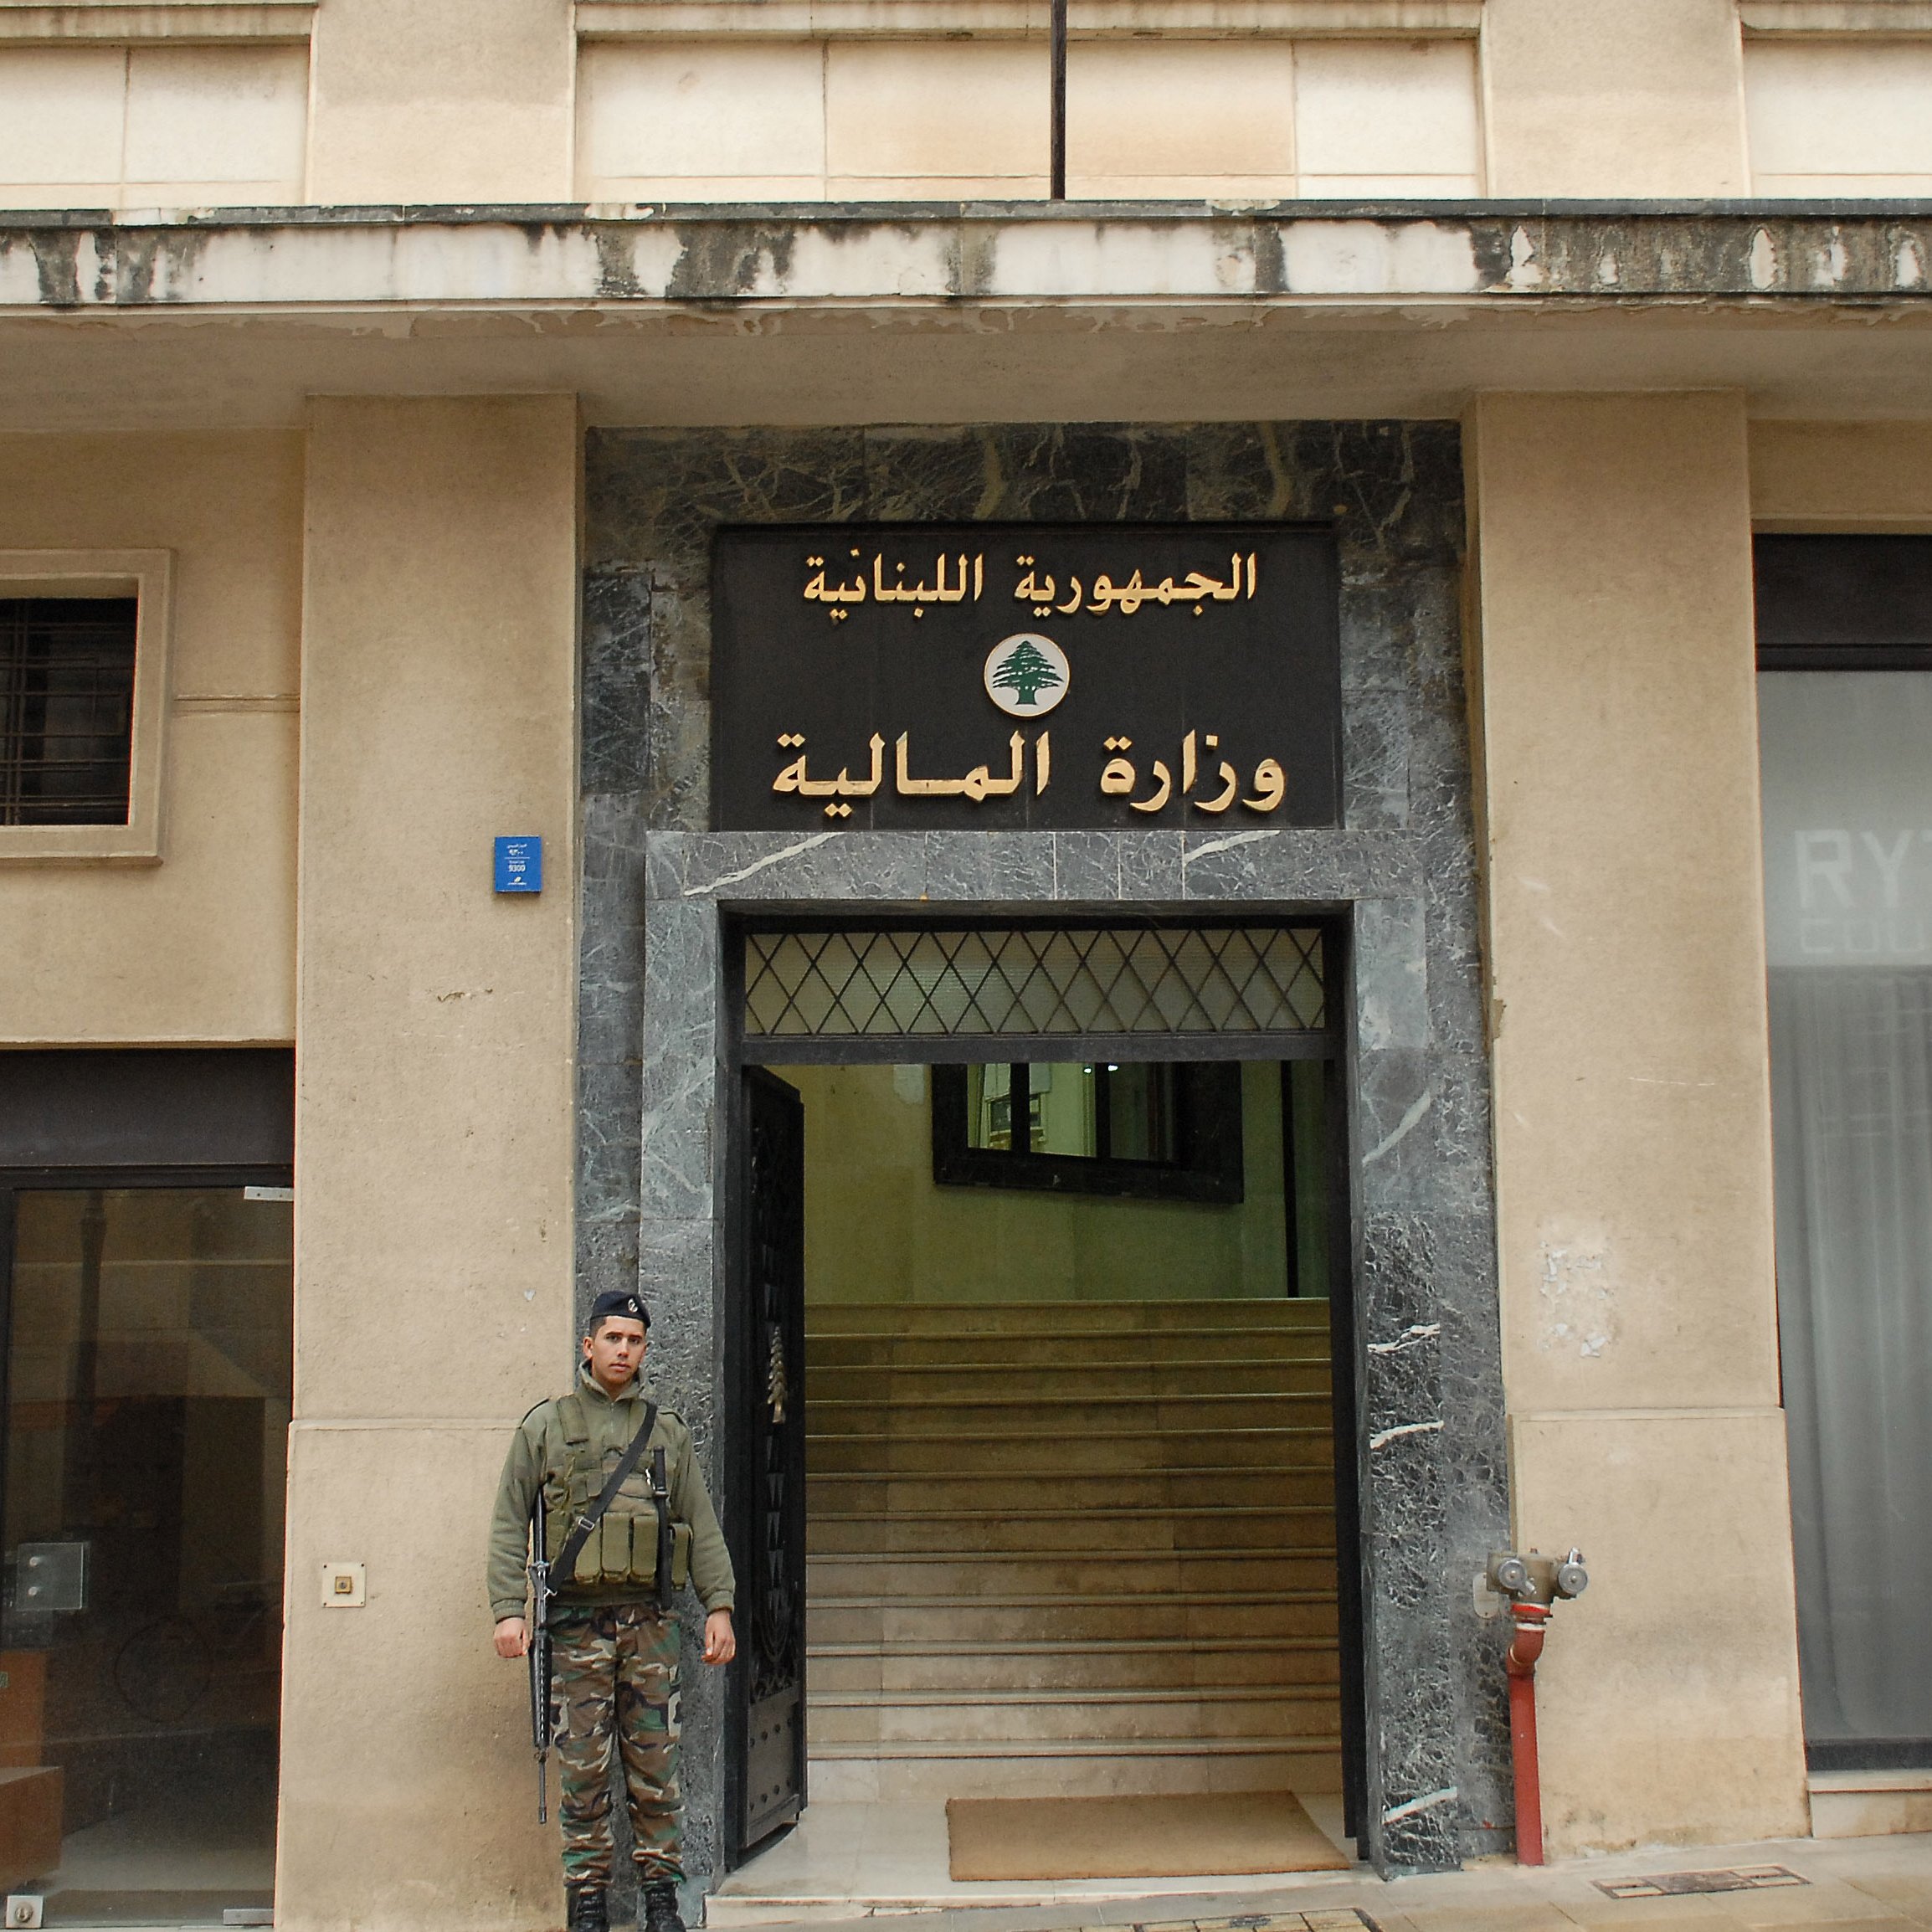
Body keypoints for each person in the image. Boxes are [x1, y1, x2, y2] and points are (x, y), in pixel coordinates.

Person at [490, 1291, 737, 1932]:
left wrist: (721, 1605)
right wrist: (507, 1611)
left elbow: (700, 1525)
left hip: (650, 1625)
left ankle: (661, 1897)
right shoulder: (546, 1426)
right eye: (613, 1339)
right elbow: (510, 1523)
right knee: (584, 1769)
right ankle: (589, 1900)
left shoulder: (666, 1431)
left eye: (634, 1341)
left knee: (657, 1765)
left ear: (644, 1350)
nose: (623, 1351)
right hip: (574, 1627)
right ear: (588, 1345)